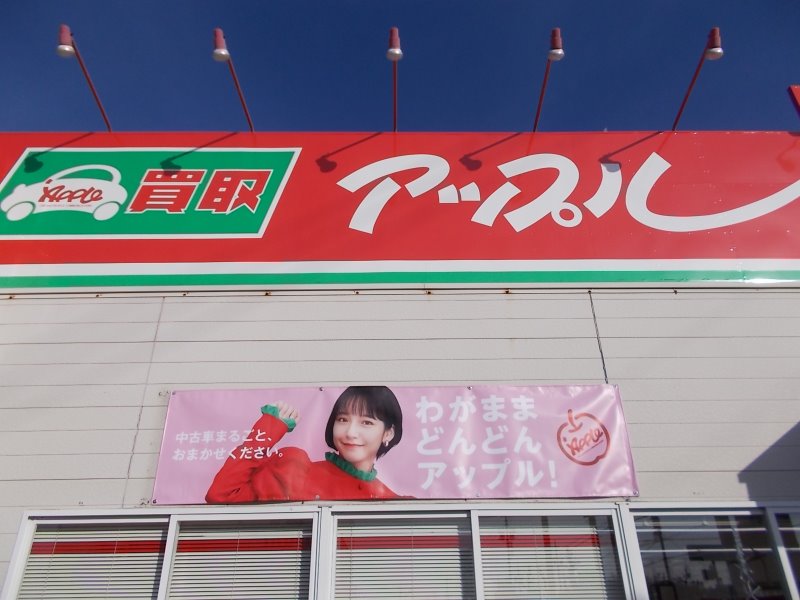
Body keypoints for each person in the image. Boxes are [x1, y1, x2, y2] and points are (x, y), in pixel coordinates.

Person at [206, 386, 403, 502]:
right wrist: (270, 427)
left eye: (366, 422)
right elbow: (220, 496)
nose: (350, 433)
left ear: (389, 433)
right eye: (342, 420)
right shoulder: (293, 470)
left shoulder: (393, 502)